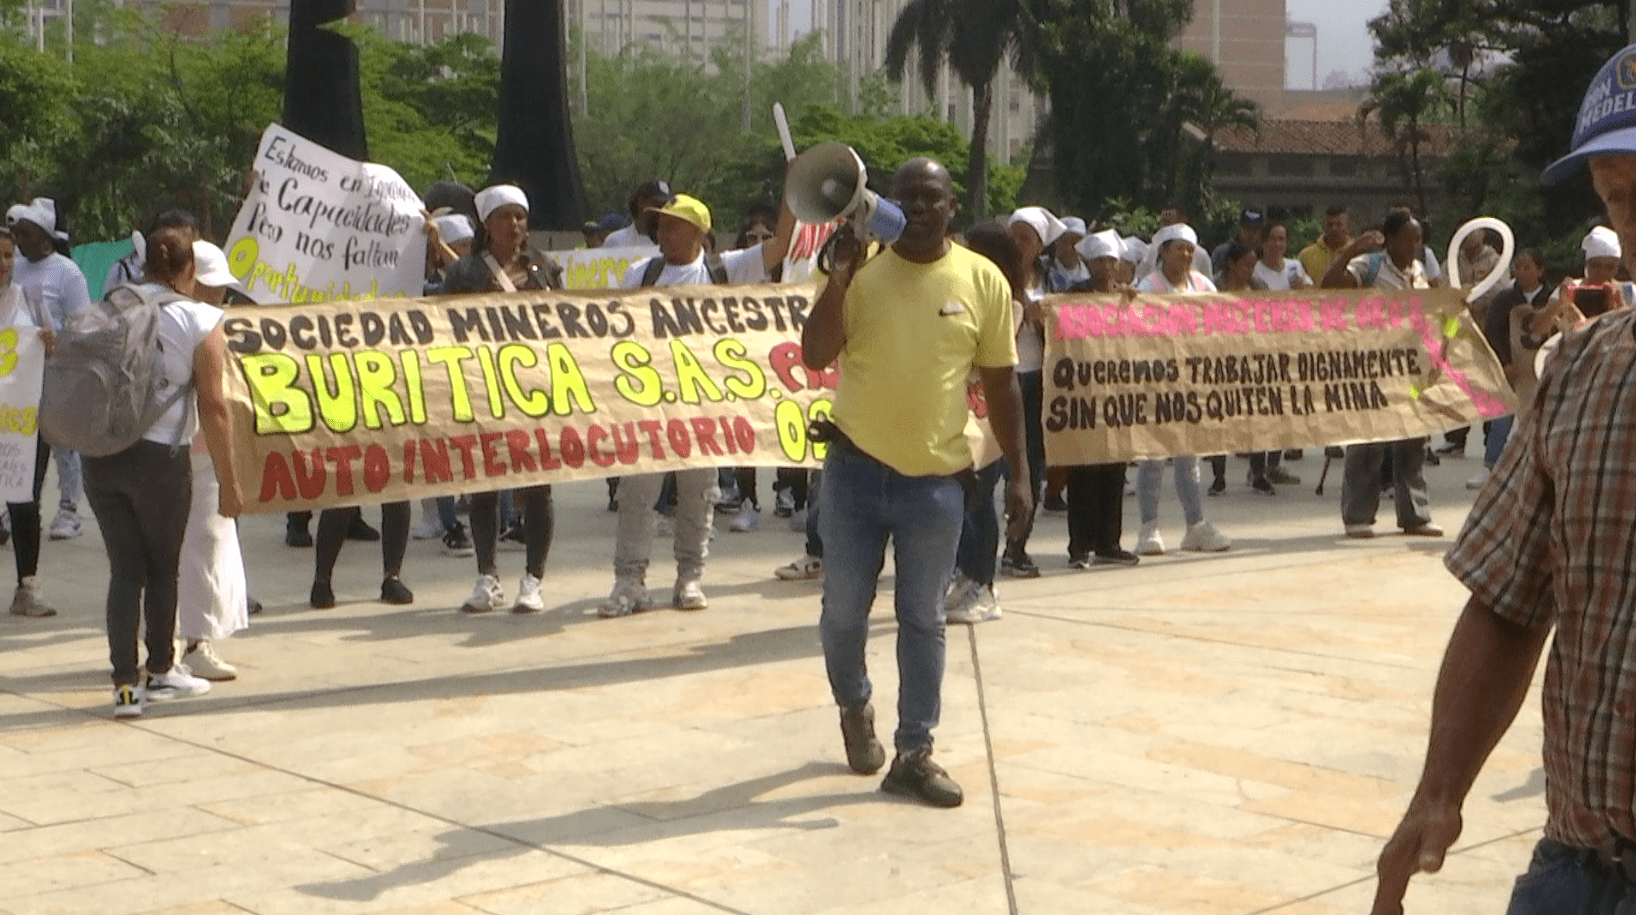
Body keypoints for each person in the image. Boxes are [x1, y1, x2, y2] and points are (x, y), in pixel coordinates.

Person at [1370, 44, 1636, 915]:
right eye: (1620, 197)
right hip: (1580, 867)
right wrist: (1438, 788)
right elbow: (1508, 598)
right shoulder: (1585, 371)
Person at [804, 157, 1029, 808]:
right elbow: (816, 353)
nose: (920, 208)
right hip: (852, 473)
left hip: (936, 482)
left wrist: (1018, 473)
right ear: (883, 204)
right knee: (843, 612)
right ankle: (855, 703)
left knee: (923, 618)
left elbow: (1002, 382)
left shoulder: (983, 280)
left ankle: (914, 750)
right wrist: (840, 278)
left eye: (932, 198)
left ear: (952, 206)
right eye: (907, 198)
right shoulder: (862, 274)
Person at [602, 190, 795, 617]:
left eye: (673, 224)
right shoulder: (641, 273)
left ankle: (689, 577)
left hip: (705, 406)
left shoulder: (726, 269)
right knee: (637, 494)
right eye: (662, 224)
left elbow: (781, 245)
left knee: (698, 494)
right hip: (649, 405)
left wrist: (792, 191)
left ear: (698, 232)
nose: (663, 231)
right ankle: (629, 580)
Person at [82, 227, 242, 719]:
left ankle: (125, 690)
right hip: (160, 460)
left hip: (100, 456)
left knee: (125, 572)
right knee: (162, 570)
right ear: (190, 270)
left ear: (146, 263)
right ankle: (163, 671)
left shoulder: (111, 306)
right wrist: (230, 483)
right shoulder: (200, 318)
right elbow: (214, 406)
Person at [440, 185, 563, 614]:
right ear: (486, 224)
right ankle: (487, 576)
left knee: (537, 487)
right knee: (484, 486)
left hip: (537, 393)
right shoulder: (465, 274)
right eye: (506, 216)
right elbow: (440, 330)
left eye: (521, 216)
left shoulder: (546, 269)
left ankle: (533, 580)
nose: (515, 224)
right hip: (482, 391)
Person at [1321, 208, 1443, 540]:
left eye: (1418, 239)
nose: (1414, 245)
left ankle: (1415, 515)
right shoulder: (1369, 266)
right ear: (1389, 240)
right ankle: (1358, 515)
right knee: (1369, 440)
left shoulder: (1419, 271)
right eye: (1408, 239)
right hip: (1371, 365)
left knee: (1412, 442)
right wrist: (1352, 250)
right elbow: (1329, 286)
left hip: (1411, 367)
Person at [942, 221, 1029, 624]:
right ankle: (963, 573)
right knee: (958, 500)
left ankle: (984, 582)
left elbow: (988, 364)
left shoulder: (1007, 304)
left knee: (979, 500)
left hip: (985, 419)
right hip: (954, 415)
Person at [173, 241, 252, 678]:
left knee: (169, 551)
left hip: (161, 450)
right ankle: (196, 645)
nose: (222, 297)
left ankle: (164, 645)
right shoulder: (202, 327)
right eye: (214, 287)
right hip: (198, 454)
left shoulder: (159, 318)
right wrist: (230, 477)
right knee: (204, 547)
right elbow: (214, 405)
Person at [1132, 224, 1232, 556]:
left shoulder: (1203, 285)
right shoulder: (1149, 286)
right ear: (1163, 252)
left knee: (1189, 456)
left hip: (1193, 382)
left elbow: (1218, 326)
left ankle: (1196, 525)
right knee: (1154, 457)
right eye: (1179, 249)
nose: (1186, 255)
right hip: (1156, 381)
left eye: (1190, 249)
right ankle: (1149, 527)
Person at [7, 198, 91, 542]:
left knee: (62, 443)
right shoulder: (15, 268)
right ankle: (20, 507)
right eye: (17, 234)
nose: (19, 241)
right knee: (22, 439)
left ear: (45, 237)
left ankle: (69, 510)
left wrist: (59, 341)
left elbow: (84, 324)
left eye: (25, 234)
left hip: (57, 371)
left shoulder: (67, 273)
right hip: (20, 375)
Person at [1063, 229, 1139, 569]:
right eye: (1099, 261)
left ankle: (1110, 541)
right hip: (1083, 395)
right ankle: (1080, 546)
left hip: (1117, 396)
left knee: (1114, 470)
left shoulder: (1127, 297)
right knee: (1083, 472)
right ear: (1088, 263)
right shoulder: (1075, 295)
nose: (1106, 267)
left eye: (1111, 260)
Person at [998, 205, 1062, 577]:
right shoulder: (994, 274)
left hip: (1040, 377)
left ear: (1039, 246)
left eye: (1026, 238)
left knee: (1031, 466)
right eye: (1014, 235)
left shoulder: (1050, 279)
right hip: (1002, 376)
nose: (1018, 243)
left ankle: (1017, 545)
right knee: (993, 466)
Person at [0, 227, 57, 618]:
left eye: (8, 256)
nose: (3, 264)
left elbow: (49, 349)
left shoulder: (30, 302)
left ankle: (27, 587)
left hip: (22, 421)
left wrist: (49, 345)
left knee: (25, 500)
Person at [1466, 248, 1549, 491]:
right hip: (1511, 368)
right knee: (1502, 417)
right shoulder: (1504, 299)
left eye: (1527, 266)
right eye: (1518, 266)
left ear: (1540, 270)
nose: (1521, 271)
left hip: (1542, 368)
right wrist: (1504, 362)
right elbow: (1493, 330)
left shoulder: (1551, 297)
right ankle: (1490, 465)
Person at [602, 179, 673, 248]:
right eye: (658, 205)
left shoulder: (673, 242)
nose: (663, 211)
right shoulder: (616, 241)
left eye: (668, 206)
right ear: (641, 203)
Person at [1298, 205, 1353, 286]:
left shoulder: (1358, 253)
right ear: (1324, 226)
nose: (1334, 228)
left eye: (1339, 224)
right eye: (1330, 225)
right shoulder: (1306, 255)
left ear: (1348, 227)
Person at [1254, 220, 1313, 291]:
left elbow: (1312, 290)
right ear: (1263, 243)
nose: (1277, 244)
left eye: (1281, 239)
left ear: (1286, 243)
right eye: (1272, 239)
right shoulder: (1254, 271)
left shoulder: (1296, 266)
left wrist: (1302, 288)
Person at [1211, 209, 1267, 275]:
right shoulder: (1222, 252)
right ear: (1239, 228)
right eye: (1247, 229)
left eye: (1255, 230)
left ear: (1261, 231)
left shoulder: (1266, 255)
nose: (1250, 234)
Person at [1046, 216, 1090, 290]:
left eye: (1079, 242)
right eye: (1070, 241)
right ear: (1057, 242)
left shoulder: (1093, 271)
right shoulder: (1043, 269)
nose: (1075, 247)